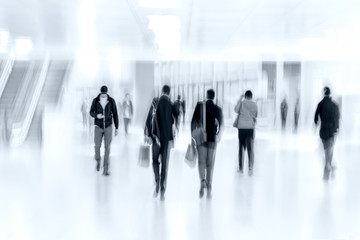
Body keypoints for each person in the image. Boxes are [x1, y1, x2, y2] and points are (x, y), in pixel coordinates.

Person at [147, 85, 178, 200]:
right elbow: (175, 119)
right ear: (169, 93)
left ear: (162, 92)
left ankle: (157, 180)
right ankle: (163, 188)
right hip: (166, 139)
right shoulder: (171, 104)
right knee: (164, 163)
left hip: (156, 137)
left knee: (155, 160)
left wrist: (148, 135)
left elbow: (149, 119)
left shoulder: (155, 102)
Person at [191, 89, 223, 198]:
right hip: (212, 139)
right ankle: (209, 186)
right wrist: (218, 136)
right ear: (213, 97)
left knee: (201, 162)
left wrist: (193, 137)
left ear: (206, 95)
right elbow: (222, 125)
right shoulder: (217, 109)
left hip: (201, 138)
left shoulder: (200, 106)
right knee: (210, 164)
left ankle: (202, 182)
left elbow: (193, 122)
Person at [89, 85, 119, 176]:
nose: (103, 96)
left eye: (104, 94)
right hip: (98, 126)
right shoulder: (95, 100)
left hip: (108, 127)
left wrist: (117, 127)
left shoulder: (111, 101)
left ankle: (105, 169)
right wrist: (96, 115)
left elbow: (115, 114)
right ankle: (98, 160)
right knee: (97, 146)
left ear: (107, 93)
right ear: (100, 92)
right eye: (102, 94)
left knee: (107, 148)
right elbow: (91, 112)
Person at [314, 87, 340, 180]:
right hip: (333, 131)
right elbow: (337, 118)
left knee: (326, 150)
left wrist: (316, 125)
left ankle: (327, 169)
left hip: (324, 131)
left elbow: (315, 119)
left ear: (323, 93)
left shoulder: (320, 104)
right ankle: (331, 166)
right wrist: (336, 128)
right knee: (329, 150)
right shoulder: (335, 105)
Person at [234, 90, 258, 176]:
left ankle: (241, 168)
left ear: (245, 96)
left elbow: (235, 110)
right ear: (251, 96)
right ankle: (250, 168)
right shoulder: (254, 104)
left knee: (241, 148)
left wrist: (239, 99)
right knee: (250, 149)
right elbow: (255, 116)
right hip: (250, 128)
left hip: (241, 128)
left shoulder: (242, 103)